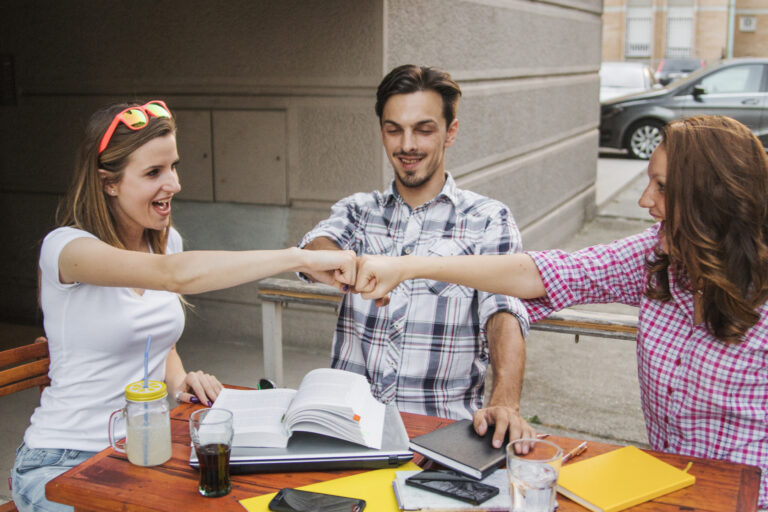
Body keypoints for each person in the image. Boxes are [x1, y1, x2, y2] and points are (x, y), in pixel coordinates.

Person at [355, 115, 768, 509]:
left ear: (713, 199)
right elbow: (548, 273)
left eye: (662, 187)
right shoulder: (658, 257)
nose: (645, 200)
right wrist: (408, 267)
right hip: (667, 490)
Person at [11, 100, 356, 512]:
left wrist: (179, 382)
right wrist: (299, 258)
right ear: (109, 183)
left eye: (173, 166)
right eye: (153, 172)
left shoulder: (164, 240)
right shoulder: (66, 249)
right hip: (64, 461)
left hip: (145, 451)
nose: (173, 183)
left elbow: (160, 343)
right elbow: (175, 275)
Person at [298, 64, 535, 446]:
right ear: (382, 132)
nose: (407, 144)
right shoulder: (359, 211)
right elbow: (314, 245)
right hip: (348, 430)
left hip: (444, 436)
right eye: (394, 130)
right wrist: (345, 265)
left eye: (423, 129)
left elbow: (503, 310)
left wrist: (505, 402)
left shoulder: (488, 219)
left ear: (450, 132)